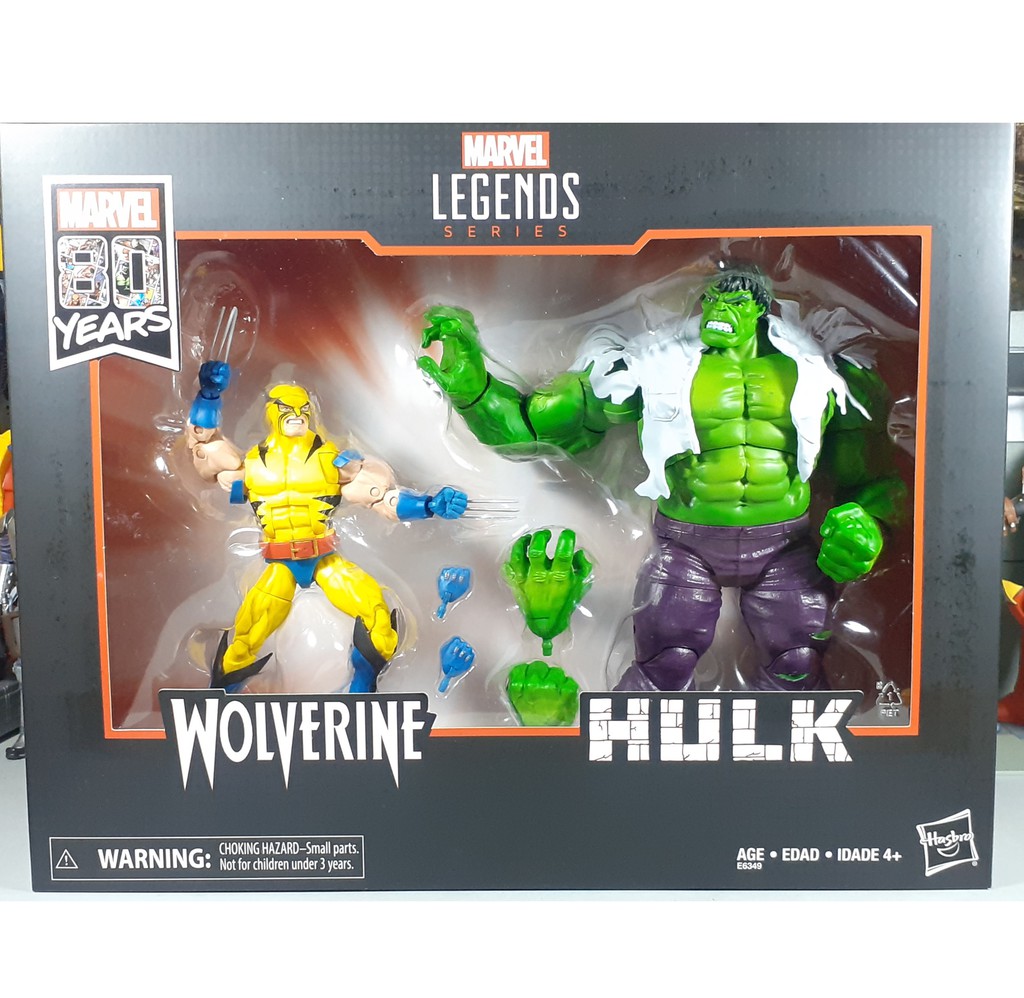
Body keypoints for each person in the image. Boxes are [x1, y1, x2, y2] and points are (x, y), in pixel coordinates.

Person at [419, 267, 903, 693]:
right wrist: (474, 391)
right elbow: (532, 428)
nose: (720, 310)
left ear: (760, 308)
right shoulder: (652, 363)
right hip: (687, 543)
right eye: (713, 299)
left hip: (786, 545)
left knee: (797, 667)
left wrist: (868, 528)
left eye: (735, 302)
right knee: (663, 665)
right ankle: (625, 751)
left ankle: (787, 759)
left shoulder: (822, 372)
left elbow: (877, 480)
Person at [187, 368, 467, 693]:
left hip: (324, 559)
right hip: (280, 565)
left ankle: (362, 689)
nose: (296, 414)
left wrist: (428, 505)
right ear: (271, 412)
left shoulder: (333, 462)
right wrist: (208, 396)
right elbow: (203, 442)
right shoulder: (250, 466)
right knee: (244, 641)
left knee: (378, 616)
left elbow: (383, 499)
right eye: (286, 408)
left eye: (302, 408)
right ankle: (221, 701)